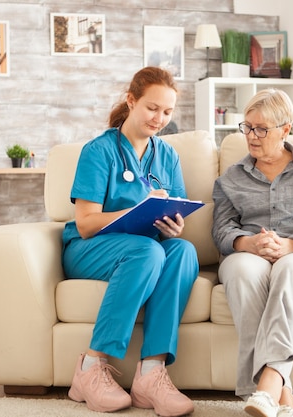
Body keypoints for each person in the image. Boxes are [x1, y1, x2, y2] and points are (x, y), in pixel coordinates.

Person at [61, 66, 198, 417]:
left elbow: (175, 208)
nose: (159, 118)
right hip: (90, 249)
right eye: (152, 108)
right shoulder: (99, 151)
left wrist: (173, 226)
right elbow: (87, 223)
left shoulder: (167, 155)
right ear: (131, 100)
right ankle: (90, 367)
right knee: (147, 250)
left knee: (182, 251)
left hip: (145, 248)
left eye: (167, 112)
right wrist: (136, 210)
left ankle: (151, 374)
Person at [212, 89, 293, 417]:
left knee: (289, 269)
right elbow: (222, 230)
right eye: (247, 127)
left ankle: (267, 386)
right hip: (248, 254)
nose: (252, 136)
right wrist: (248, 243)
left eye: (262, 129)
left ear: (286, 129)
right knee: (241, 270)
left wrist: (290, 246)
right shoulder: (230, 179)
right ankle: (283, 398)